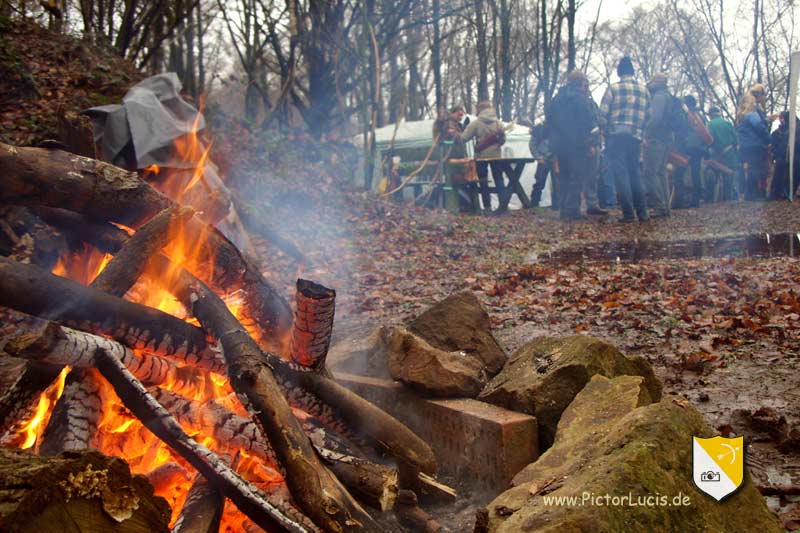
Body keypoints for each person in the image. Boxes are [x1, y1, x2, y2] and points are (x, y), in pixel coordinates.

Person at [546, 70, 602, 220]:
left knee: (563, 177)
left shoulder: (556, 99)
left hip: (559, 144)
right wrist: (590, 143)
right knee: (576, 177)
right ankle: (572, 211)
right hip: (578, 144)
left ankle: (563, 210)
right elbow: (588, 124)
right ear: (582, 83)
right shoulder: (582, 100)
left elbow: (550, 121)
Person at [599, 56, 650, 222]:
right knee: (635, 172)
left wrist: (606, 130)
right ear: (633, 72)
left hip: (616, 137)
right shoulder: (644, 91)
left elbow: (602, 115)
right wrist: (641, 132)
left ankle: (628, 213)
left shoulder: (613, 89)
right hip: (635, 137)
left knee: (621, 175)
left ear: (619, 72)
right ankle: (642, 212)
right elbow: (650, 116)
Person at [461, 101, 511, 214]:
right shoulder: (499, 123)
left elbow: (464, 138)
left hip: (481, 156)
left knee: (483, 181)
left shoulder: (476, 123)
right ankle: (503, 207)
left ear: (480, 109)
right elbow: (502, 141)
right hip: (496, 156)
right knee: (499, 180)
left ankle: (487, 207)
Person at [642, 73, 674, 218]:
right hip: (667, 139)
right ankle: (666, 207)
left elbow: (655, 118)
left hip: (656, 139)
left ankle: (659, 206)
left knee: (650, 173)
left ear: (657, 82)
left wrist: (646, 134)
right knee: (661, 173)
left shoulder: (659, 97)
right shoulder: (668, 96)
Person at [433, 105, 473, 211]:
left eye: (462, 115)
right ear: (453, 113)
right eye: (458, 114)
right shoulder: (448, 124)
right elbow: (454, 139)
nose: (460, 117)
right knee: (450, 185)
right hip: (450, 159)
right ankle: (452, 208)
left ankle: (460, 206)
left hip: (456, 159)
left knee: (456, 183)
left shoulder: (455, 124)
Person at [672, 95, 710, 207]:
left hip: (686, 148)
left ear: (686, 104)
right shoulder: (700, 116)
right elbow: (705, 133)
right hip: (698, 149)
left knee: (679, 173)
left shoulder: (686, 115)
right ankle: (695, 201)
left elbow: (681, 132)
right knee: (696, 174)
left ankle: (680, 200)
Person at [736, 84, 771, 201]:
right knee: (754, 169)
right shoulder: (752, 113)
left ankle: (749, 194)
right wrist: (768, 138)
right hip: (755, 144)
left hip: (746, 145)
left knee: (751, 169)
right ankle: (753, 195)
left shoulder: (742, 114)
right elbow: (759, 126)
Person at [706, 107, 739, 201]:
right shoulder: (728, 123)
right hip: (730, 155)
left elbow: (709, 140)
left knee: (711, 176)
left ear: (710, 116)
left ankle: (710, 201)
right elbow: (736, 140)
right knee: (728, 179)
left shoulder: (710, 124)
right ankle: (728, 201)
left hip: (716, 156)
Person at [769, 111, 800, 200]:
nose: (781, 120)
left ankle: (787, 191)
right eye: (780, 118)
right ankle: (777, 193)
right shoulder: (778, 132)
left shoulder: (797, 128)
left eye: (783, 118)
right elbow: (774, 144)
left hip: (795, 156)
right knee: (780, 168)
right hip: (782, 156)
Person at [528, 122, 558, 209]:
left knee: (557, 183)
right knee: (539, 182)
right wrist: (538, 157)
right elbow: (532, 144)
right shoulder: (540, 128)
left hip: (556, 159)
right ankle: (534, 203)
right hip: (544, 159)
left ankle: (557, 205)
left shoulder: (560, 126)